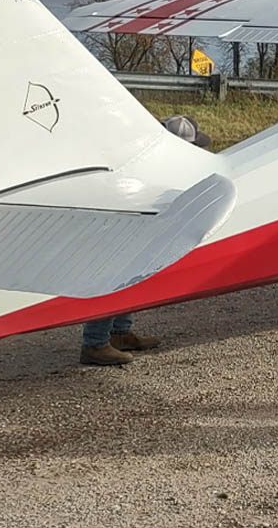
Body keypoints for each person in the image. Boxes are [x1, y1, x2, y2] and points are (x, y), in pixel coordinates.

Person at [79, 114, 211, 366]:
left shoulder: (146, 152)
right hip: (119, 222)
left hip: (128, 220)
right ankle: (94, 343)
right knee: (113, 277)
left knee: (129, 277)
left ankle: (119, 333)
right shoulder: (157, 165)